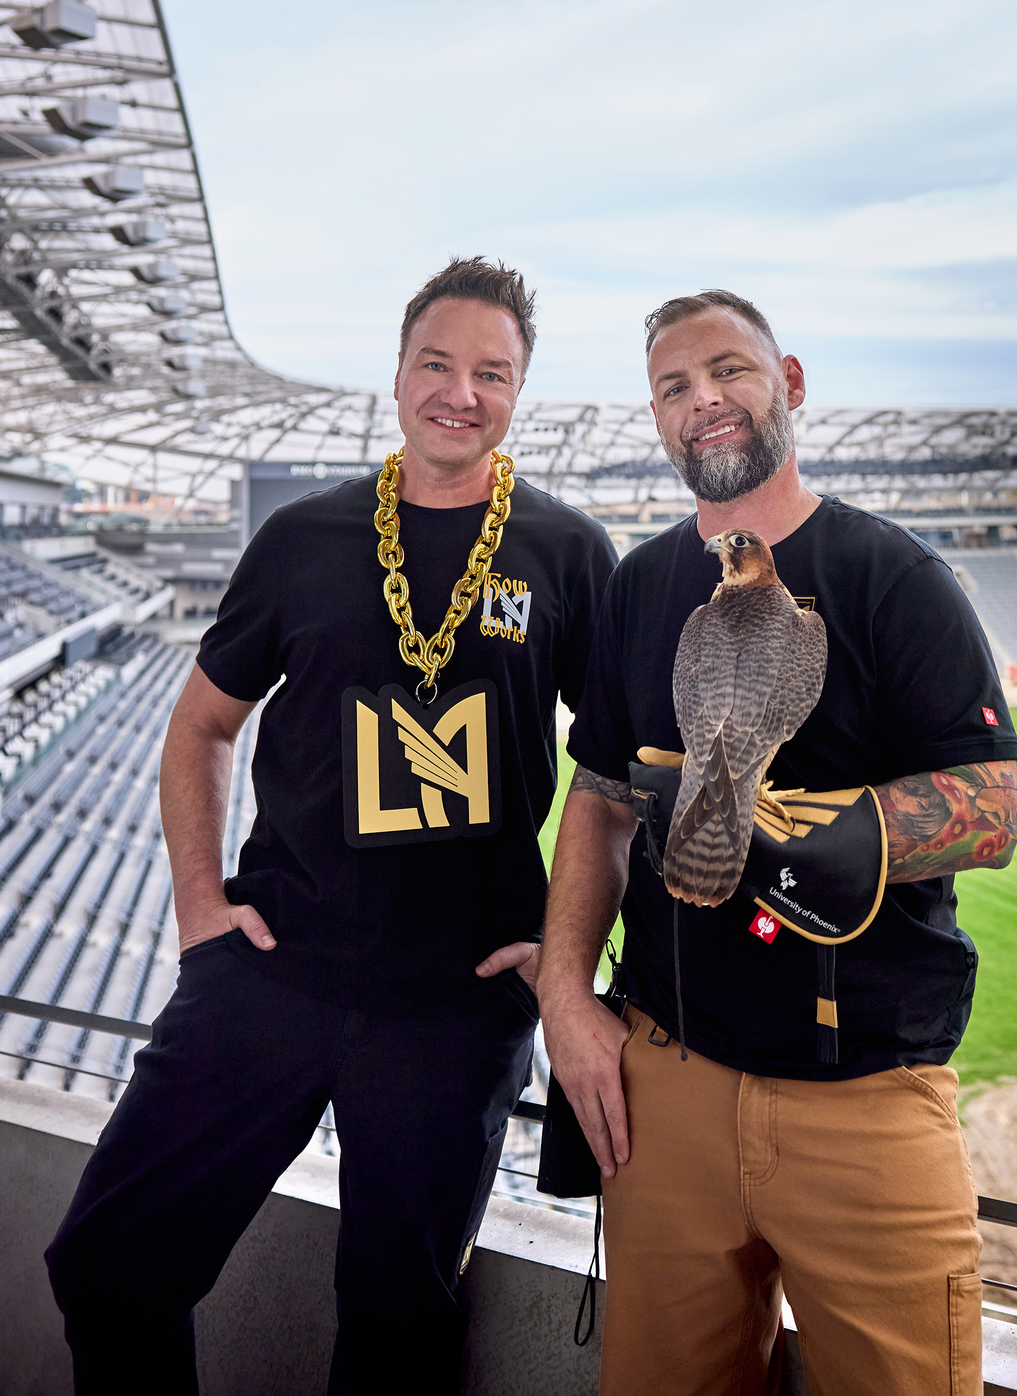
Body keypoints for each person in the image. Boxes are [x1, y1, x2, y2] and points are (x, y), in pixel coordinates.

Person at [47, 256, 617, 1395]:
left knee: (398, 1328)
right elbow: (202, 724)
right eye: (437, 364)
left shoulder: (568, 553)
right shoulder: (303, 537)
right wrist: (201, 910)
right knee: (106, 1263)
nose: (461, 391)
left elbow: (608, 776)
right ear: (398, 372)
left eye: (490, 373)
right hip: (272, 969)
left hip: (454, 1006)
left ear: (520, 390)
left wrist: (559, 964)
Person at [538, 288, 1017, 1396]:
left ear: (788, 385)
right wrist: (565, 998)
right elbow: (601, 799)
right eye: (672, 385)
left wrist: (851, 835)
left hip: (863, 1101)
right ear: (657, 419)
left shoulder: (890, 578)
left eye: (727, 371)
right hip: (666, 1088)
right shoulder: (636, 587)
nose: (701, 399)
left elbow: (992, 804)